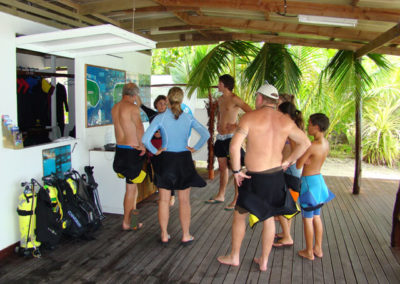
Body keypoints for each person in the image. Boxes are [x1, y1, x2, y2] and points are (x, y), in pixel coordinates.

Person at [217, 83, 310, 271]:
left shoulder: (249, 118)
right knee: (269, 218)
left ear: (260, 98)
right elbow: (305, 142)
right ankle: (264, 261)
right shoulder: (285, 121)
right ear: (275, 101)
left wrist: (236, 172)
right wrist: (289, 161)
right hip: (275, 176)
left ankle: (234, 256)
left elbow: (234, 147)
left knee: (239, 216)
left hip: (254, 177)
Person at [142, 87, 210, 246]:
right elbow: (206, 134)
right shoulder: (187, 117)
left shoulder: (160, 118)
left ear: (167, 99)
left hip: (166, 159)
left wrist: (155, 151)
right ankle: (186, 235)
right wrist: (195, 147)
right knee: (184, 200)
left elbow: (145, 140)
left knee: (164, 200)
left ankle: (164, 234)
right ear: (181, 100)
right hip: (184, 159)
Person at [206, 74, 252, 210]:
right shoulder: (220, 99)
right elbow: (221, 114)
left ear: (224, 84)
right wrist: (218, 124)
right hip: (220, 137)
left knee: (236, 168)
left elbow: (250, 112)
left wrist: (237, 125)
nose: (217, 85)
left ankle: (237, 199)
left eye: (219, 83)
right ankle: (221, 195)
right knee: (222, 167)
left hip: (232, 137)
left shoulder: (235, 99)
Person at [296, 113, 335, 260]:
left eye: (310, 124)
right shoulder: (325, 143)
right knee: (317, 217)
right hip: (319, 181)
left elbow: (299, 164)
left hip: (308, 185)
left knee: (307, 218)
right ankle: (317, 248)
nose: (307, 127)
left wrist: (302, 159)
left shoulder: (312, 146)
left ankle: (309, 251)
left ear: (317, 127)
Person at [111, 83, 146, 231]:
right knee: (131, 189)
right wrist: (143, 145)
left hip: (120, 150)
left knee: (133, 187)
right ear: (134, 95)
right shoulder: (133, 108)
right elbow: (139, 128)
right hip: (132, 151)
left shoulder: (115, 107)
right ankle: (126, 222)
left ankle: (134, 221)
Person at [273, 102, 305, 247]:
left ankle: (287, 237)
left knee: (280, 203)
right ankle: (286, 233)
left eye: (279, 113)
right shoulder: (292, 127)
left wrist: (287, 162)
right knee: (288, 204)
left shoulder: (291, 129)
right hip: (292, 172)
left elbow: (299, 148)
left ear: (286, 114)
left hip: (290, 172)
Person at [136, 95, 176, 206]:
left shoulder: (170, 116)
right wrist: (135, 93)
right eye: (160, 103)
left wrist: (162, 134)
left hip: (166, 150)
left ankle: (172, 196)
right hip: (153, 150)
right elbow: (141, 105)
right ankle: (162, 197)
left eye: (164, 103)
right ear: (156, 105)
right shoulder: (152, 115)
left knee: (167, 173)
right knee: (157, 173)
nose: (162, 106)